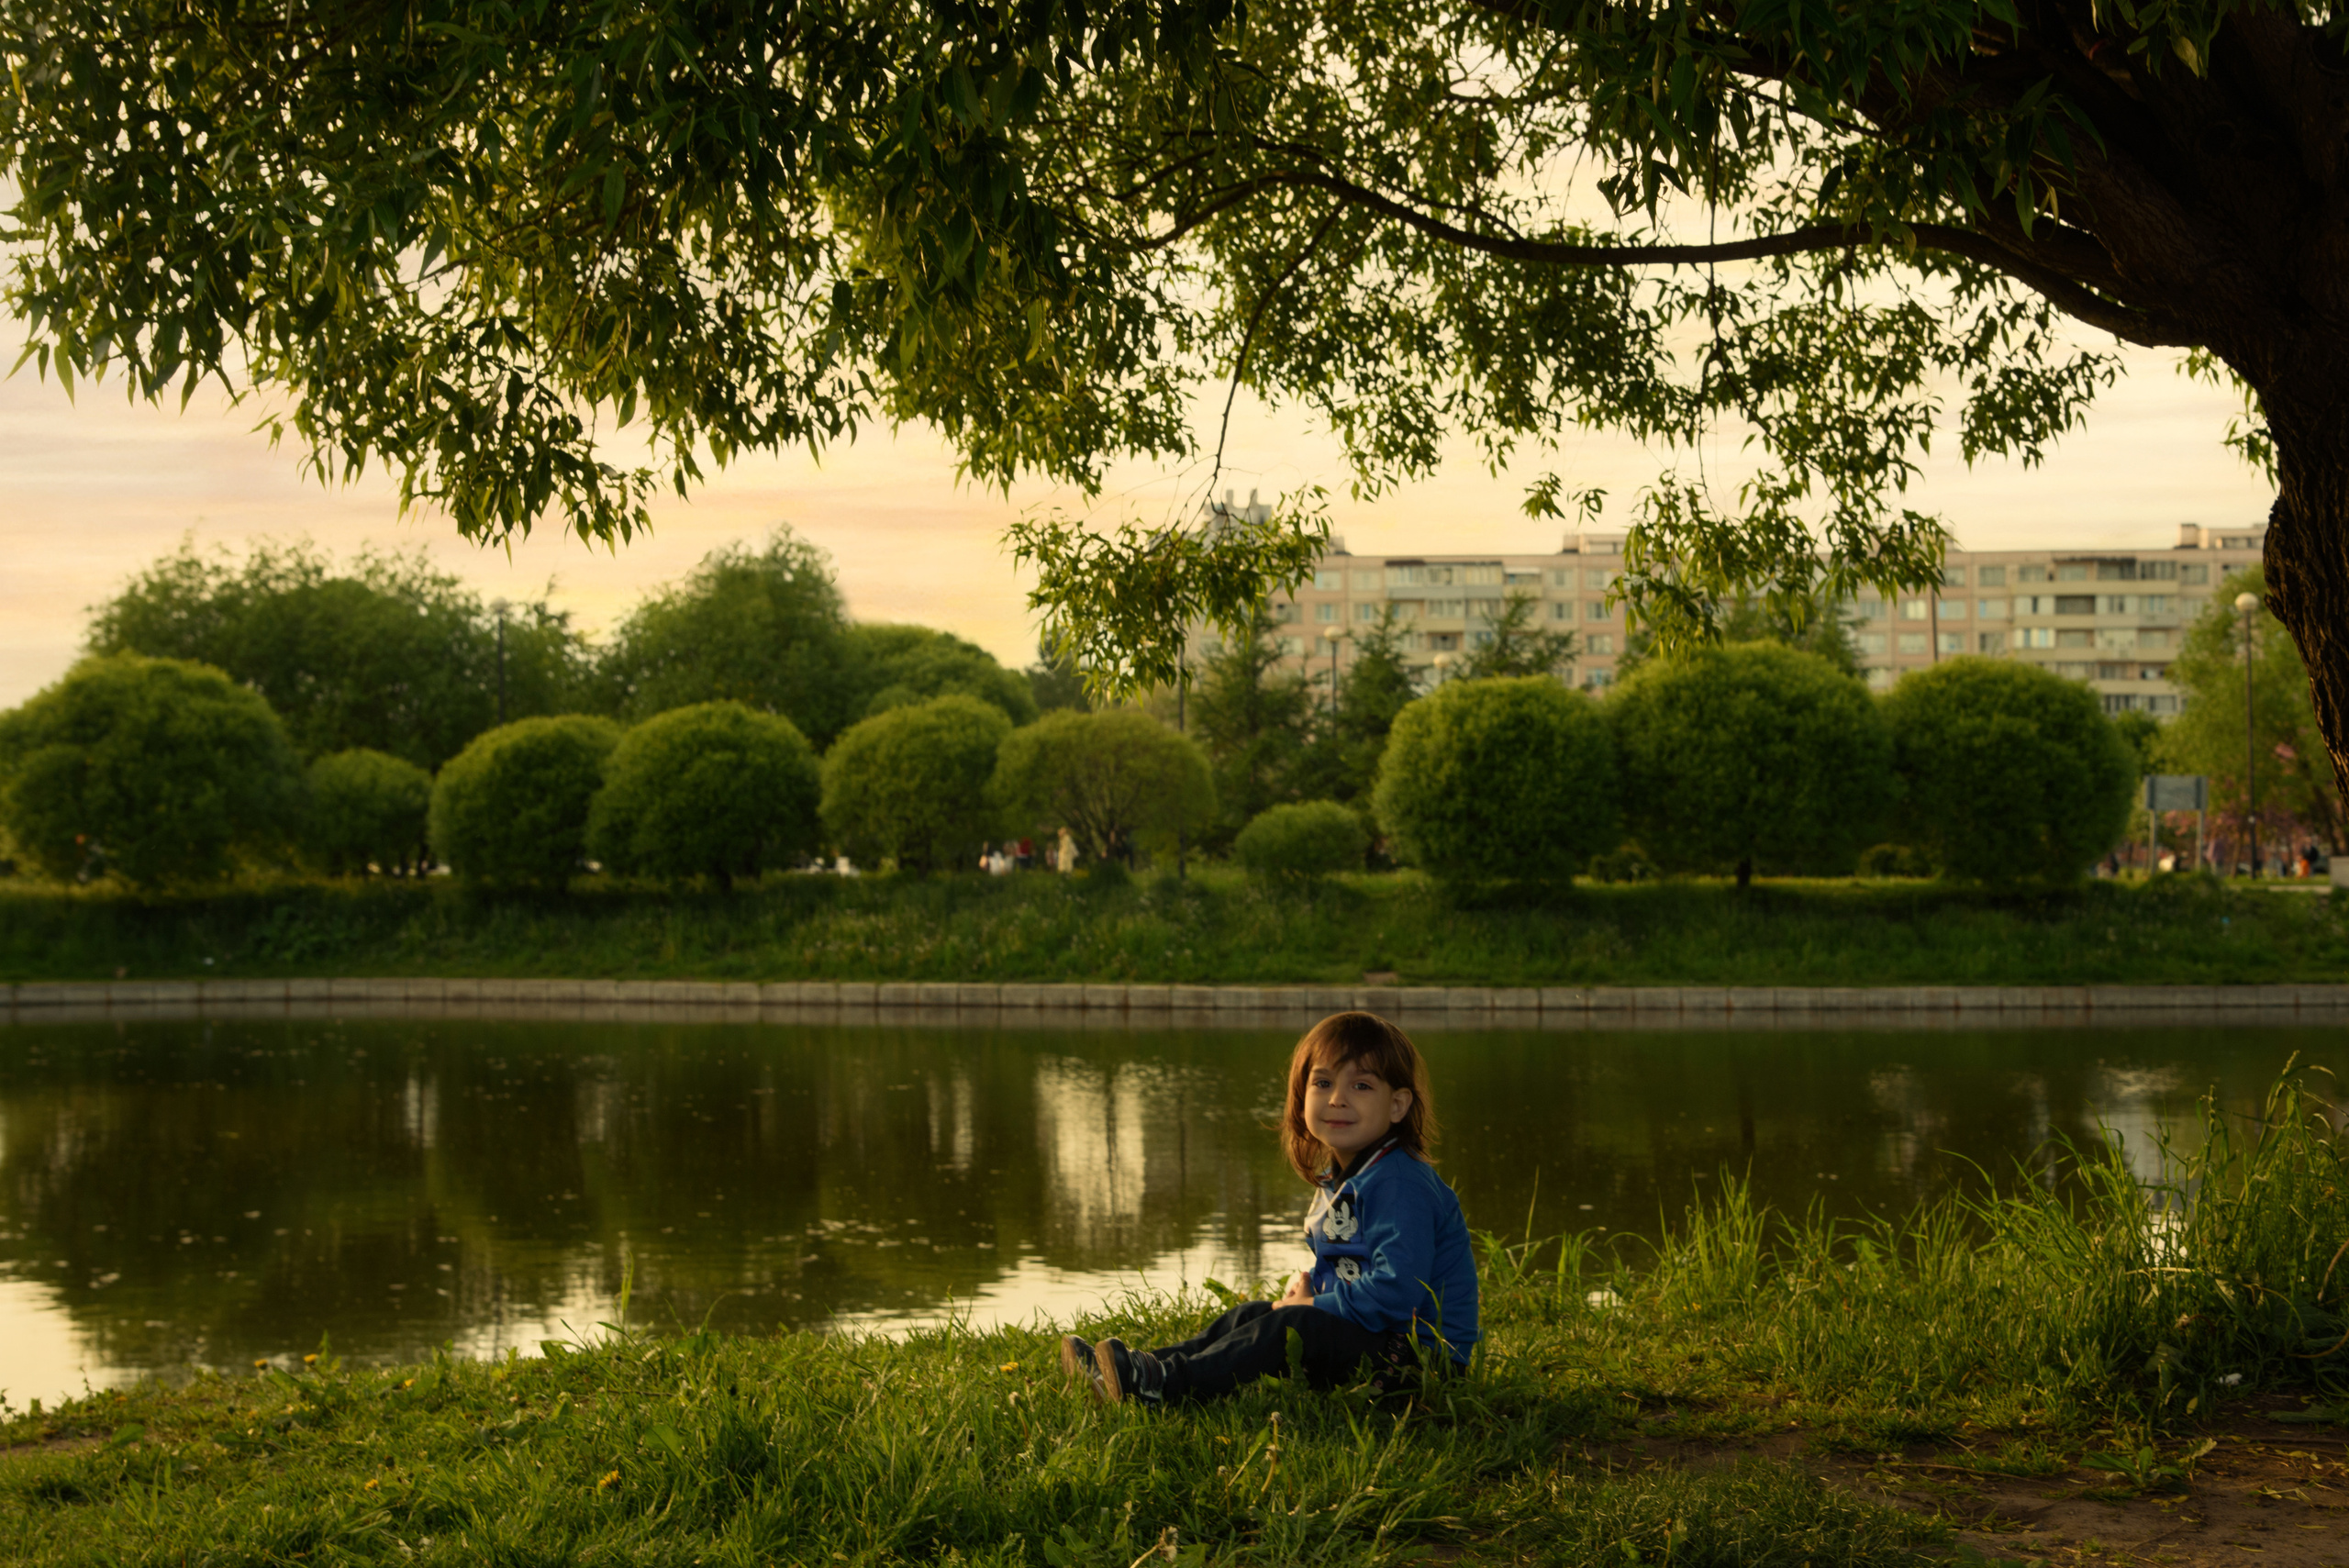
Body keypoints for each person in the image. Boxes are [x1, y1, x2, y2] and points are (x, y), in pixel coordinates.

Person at [1059, 1011, 1479, 1406]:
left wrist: (1311, 1309)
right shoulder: (1347, 1177)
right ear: (1301, 1096)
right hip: (1377, 1339)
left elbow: (1396, 1293)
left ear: (1397, 1106)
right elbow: (1348, 1266)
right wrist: (1314, 1290)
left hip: (1420, 1365)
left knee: (1289, 1325)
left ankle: (1169, 1385)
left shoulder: (1401, 1183)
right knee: (1253, 1314)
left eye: (1362, 1086)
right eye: (1323, 1083)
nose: (1337, 1099)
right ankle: (1137, 1368)